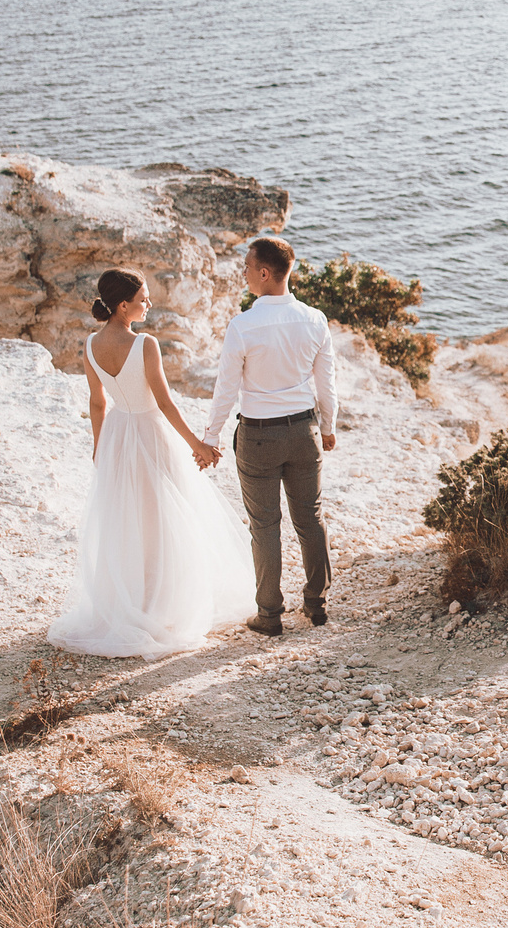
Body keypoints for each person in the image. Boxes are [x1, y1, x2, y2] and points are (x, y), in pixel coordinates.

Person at [46, 269, 249, 658]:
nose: (149, 304)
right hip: (150, 433)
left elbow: (97, 403)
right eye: (144, 299)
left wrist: (99, 446)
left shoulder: (90, 344)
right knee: (164, 520)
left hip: (117, 434)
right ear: (124, 306)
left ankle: (132, 602)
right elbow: (165, 403)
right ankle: (160, 606)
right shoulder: (145, 344)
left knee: (128, 520)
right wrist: (198, 445)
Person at [203, 236, 336, 636]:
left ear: (264, 273)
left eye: (246, 267)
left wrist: (210, 437)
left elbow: (226, 389)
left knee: (264, 525)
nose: (243, 273)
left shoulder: (243, 325)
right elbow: (327, 384)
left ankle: (269, 614)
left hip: (259, 436)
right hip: (304, 431)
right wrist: (327, 428)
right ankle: (316, 604)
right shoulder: (315, 320)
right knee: (310, 517)